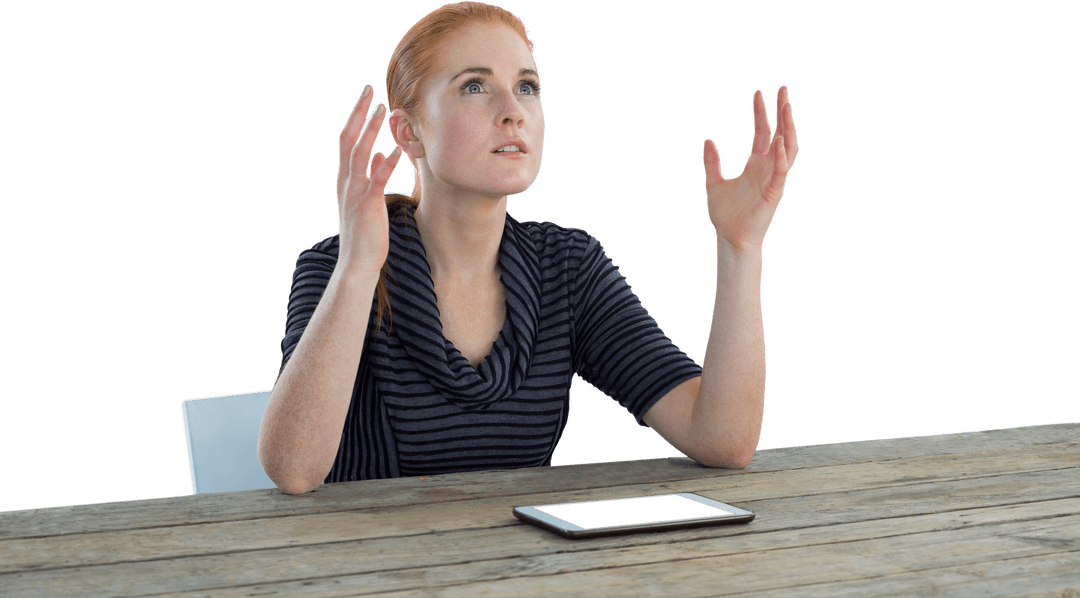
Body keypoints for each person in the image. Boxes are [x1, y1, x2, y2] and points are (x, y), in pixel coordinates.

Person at [258, 1, 799, 495]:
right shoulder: (331, 266)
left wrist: (740, 248)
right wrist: (358, 267)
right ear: (409, 133)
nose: (512, 110)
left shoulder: (567, 267)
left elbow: (723, 440)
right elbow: (295, 470)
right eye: (475, 86)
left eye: (527, 87)